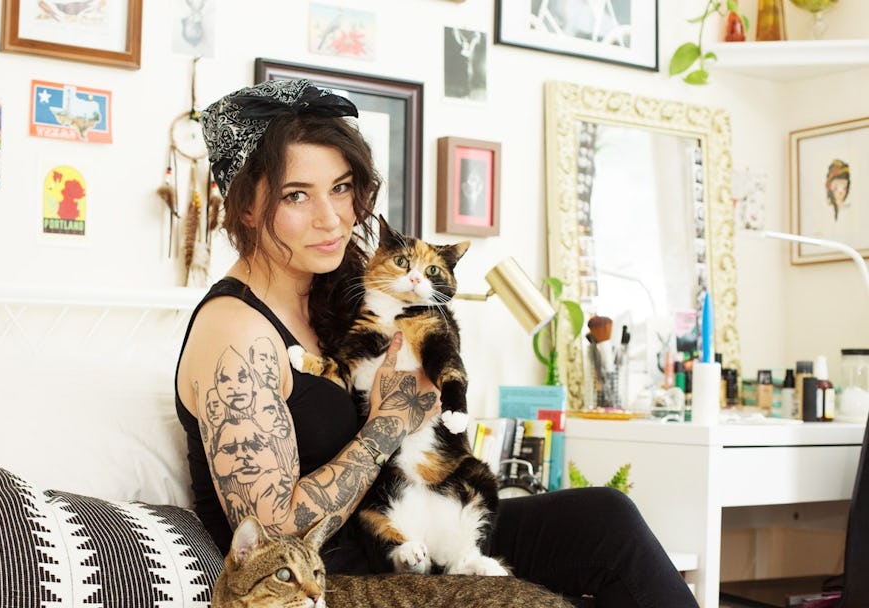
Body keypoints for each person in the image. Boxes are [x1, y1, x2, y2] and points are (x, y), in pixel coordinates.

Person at [173, 79, 697, 607]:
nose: (331, 217)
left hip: (415, 524)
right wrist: (387, 424)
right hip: (339, 581)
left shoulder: (336, 291)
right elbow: (274, 533)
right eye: (296, 195)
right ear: (245, 207)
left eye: (341, 187)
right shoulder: (236, 334)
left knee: (605, 519)